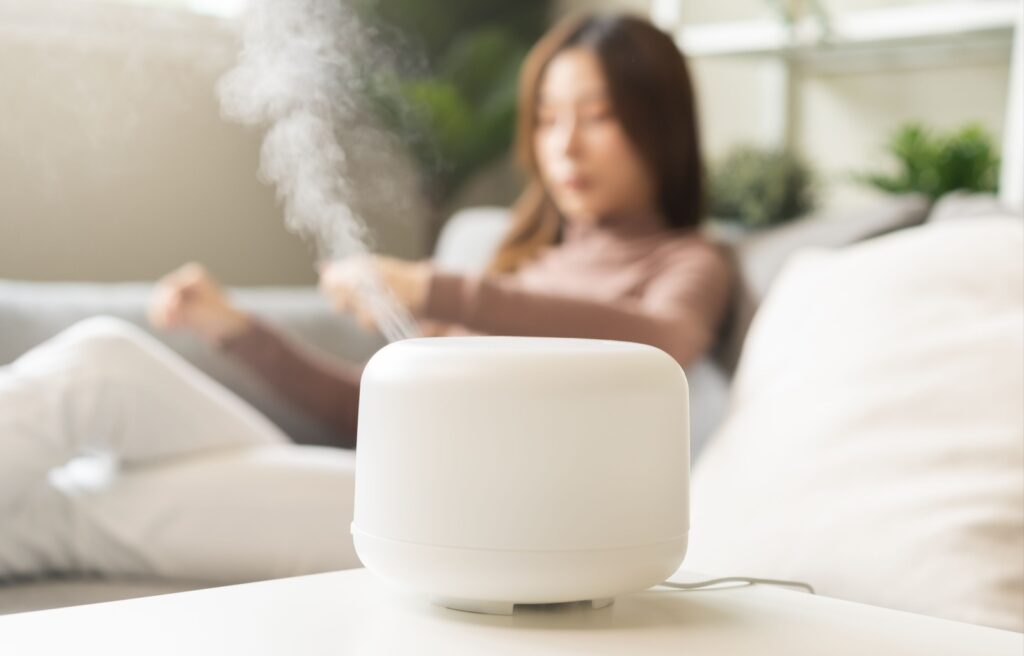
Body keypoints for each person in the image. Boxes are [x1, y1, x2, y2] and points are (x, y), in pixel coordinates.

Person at [0, 14, 733, 585]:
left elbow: (662, 338)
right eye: (546, 118)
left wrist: (439, 288)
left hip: (469, 523)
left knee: (81, 459)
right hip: (383, 489)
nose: (565, 145)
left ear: (657, 125)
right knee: (101, 372)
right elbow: (368, 414)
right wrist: (236, 331)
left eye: (597, 116)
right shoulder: (524, 266)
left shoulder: (688, 262)